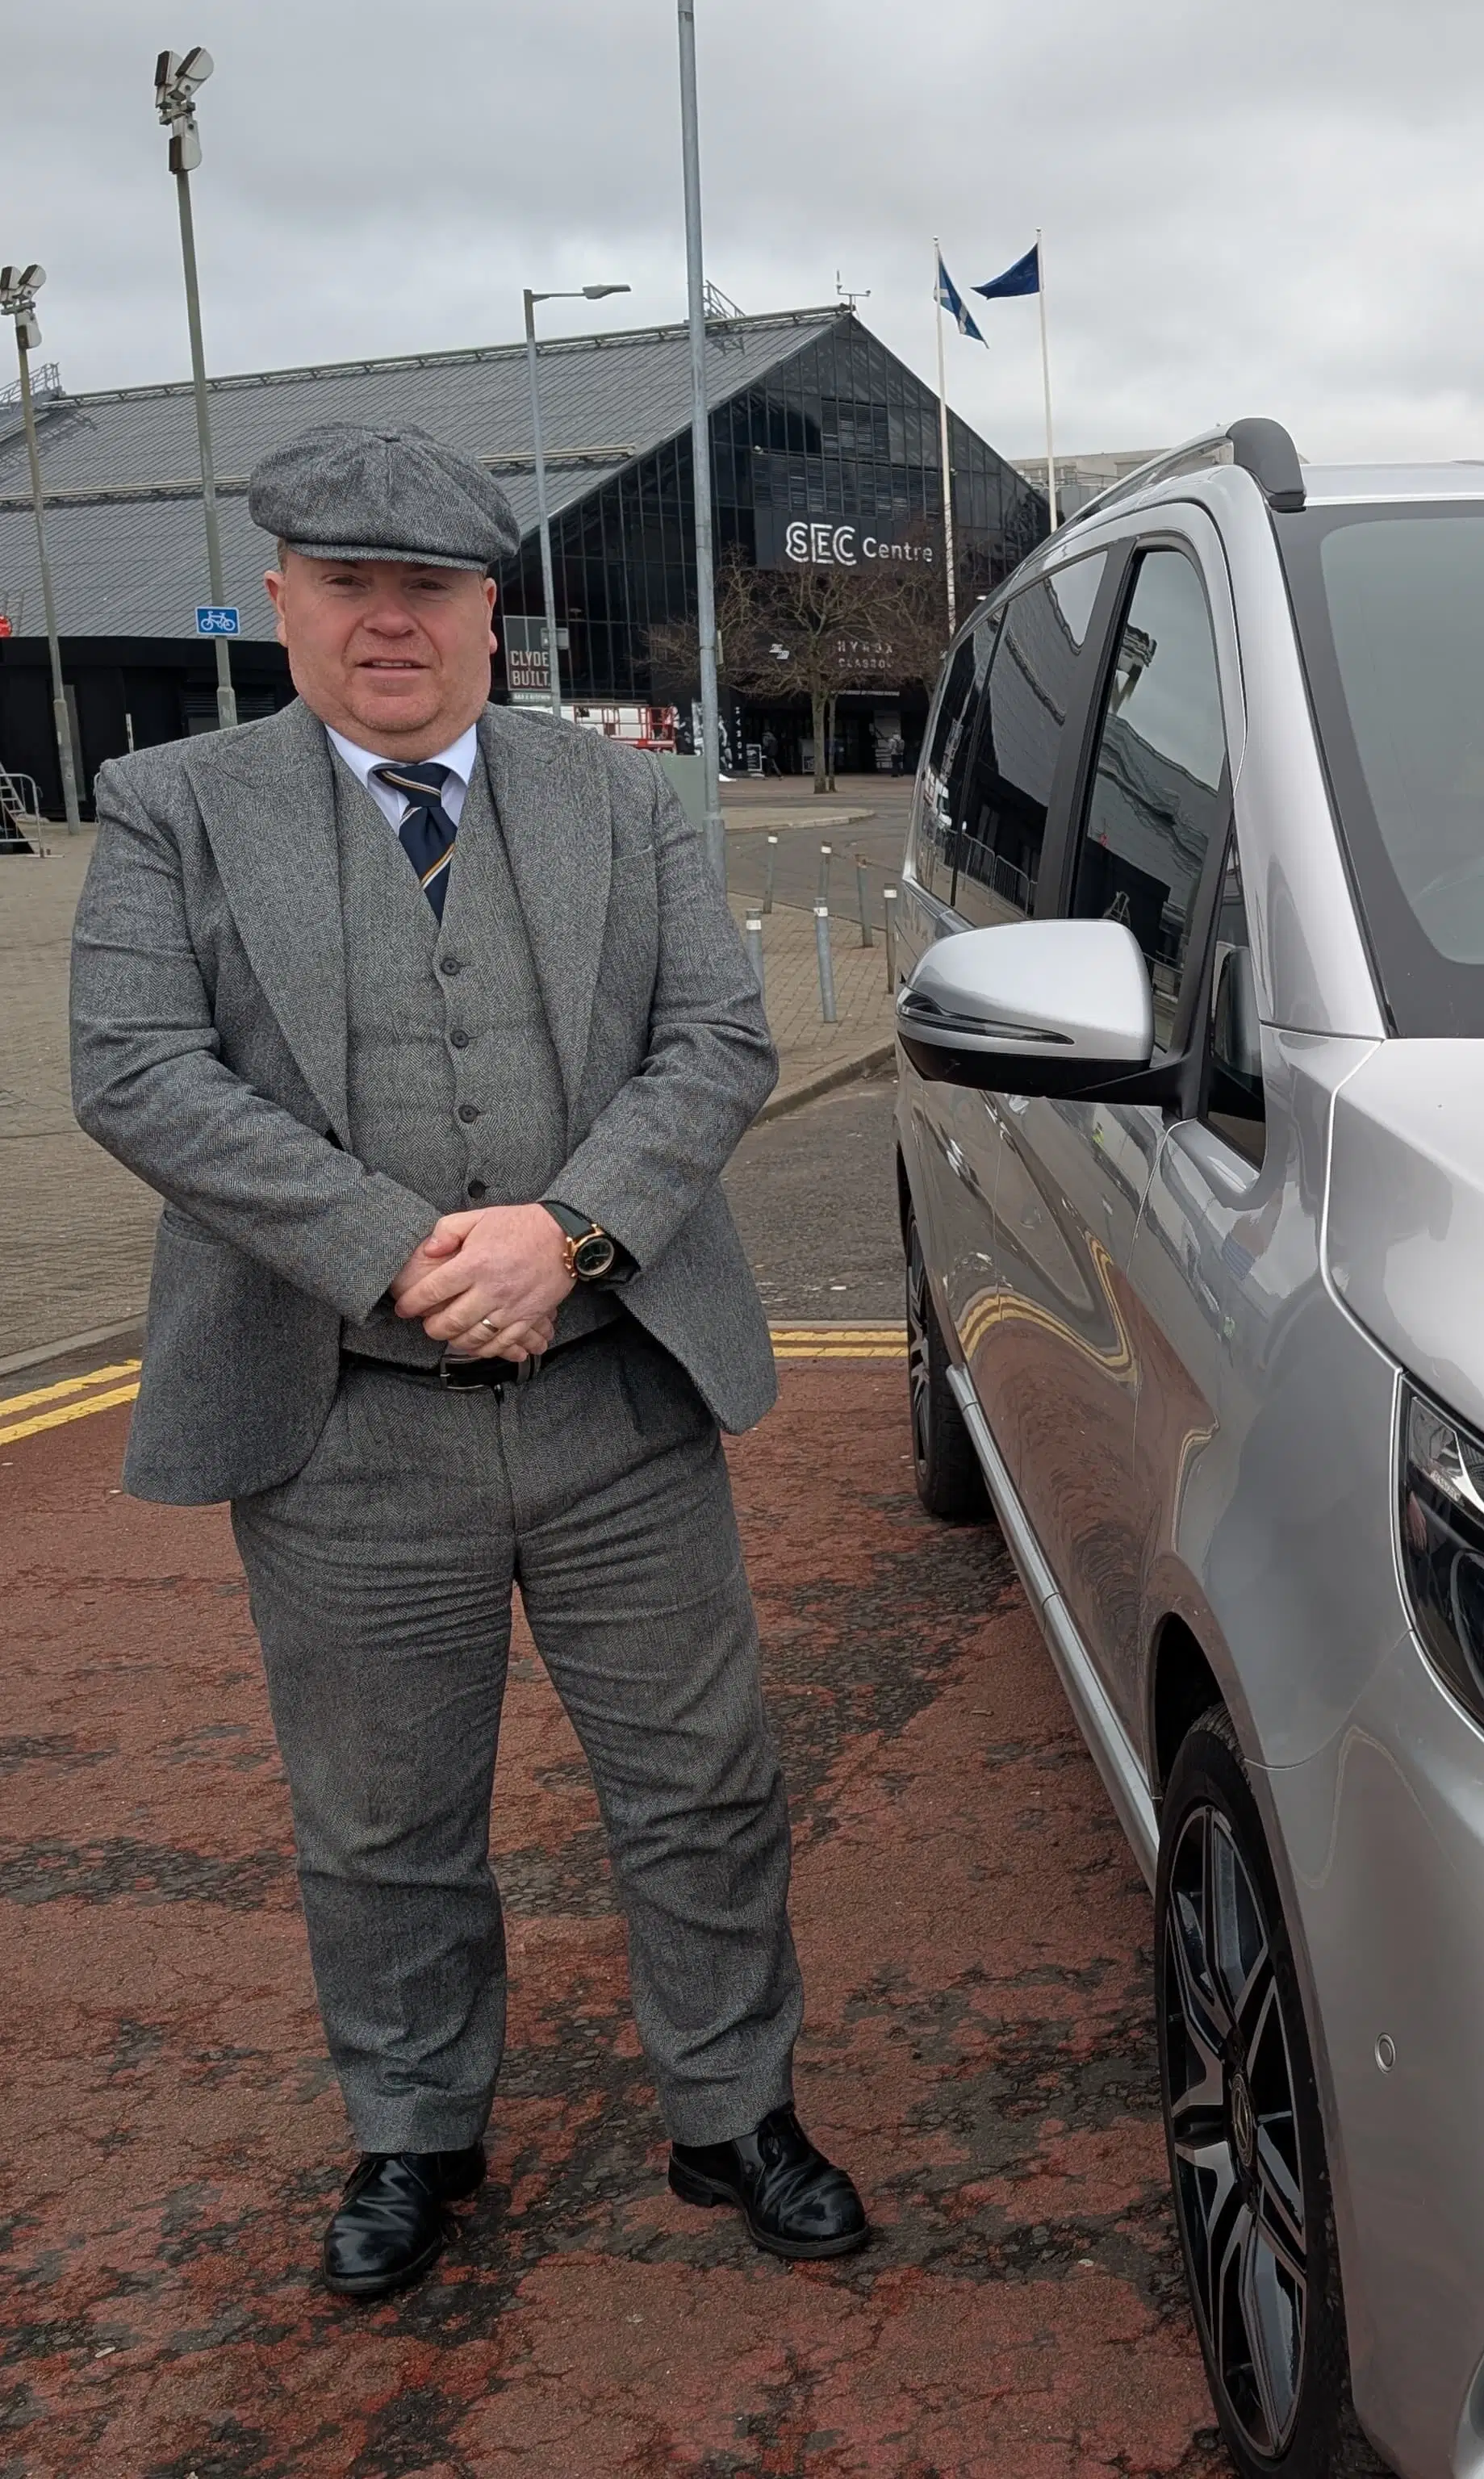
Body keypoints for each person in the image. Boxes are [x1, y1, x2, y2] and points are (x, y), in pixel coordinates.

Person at [68, 420, 869, 2299]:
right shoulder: (172, 803)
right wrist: (397, 1252)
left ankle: (732, 2113)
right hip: (346, 1430)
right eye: (349, 584)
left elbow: (717, 1045)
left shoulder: (621, 802)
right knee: (382, 1820)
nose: (391, 621)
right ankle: (416, 2134)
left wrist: (567, 1234)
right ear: (284, 604)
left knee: (702, 1786)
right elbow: (135, 1073)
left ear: (491, 616)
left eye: (429, 587)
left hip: (620, 1403)